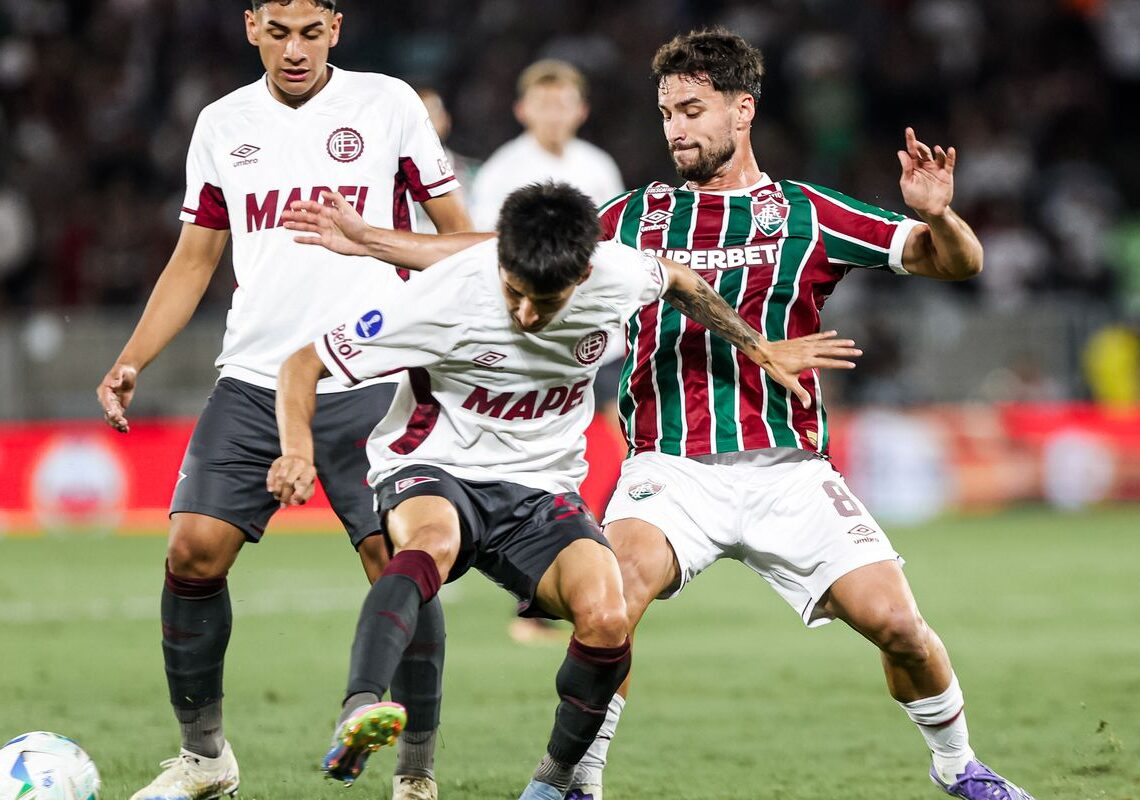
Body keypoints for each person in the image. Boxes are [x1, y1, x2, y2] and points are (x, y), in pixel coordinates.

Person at [560, 29, 1036, 800]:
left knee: (899, 627)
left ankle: (959, 767)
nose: (675, 128)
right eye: (666, 113)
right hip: (668, 469)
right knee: (609, 605)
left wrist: (939, 217)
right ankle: (580, 783)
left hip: (789, 472)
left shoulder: (808, 214)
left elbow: (959, 263)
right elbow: (525, 259)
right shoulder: (633, 216)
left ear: (742, 109)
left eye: (692, 109)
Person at [268, 182, 861, 800]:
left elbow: (682, 280)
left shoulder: (619, 272)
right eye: (514, 293)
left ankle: (552, 787)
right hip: (435, 464)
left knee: (606, 616)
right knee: (432, 541)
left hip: (541, 486)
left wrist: (757, 347)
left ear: (583, 274)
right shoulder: (448, 295)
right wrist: (295, 450)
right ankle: (359, 710)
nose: (525, 314)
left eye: (544, 302)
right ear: (500, 260)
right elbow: (302, 363)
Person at [93, 3, 471, 799]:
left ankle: (416, 773)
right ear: (249, 27)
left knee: (396, 564)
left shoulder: (389, 105)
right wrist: (133, 358)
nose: (293, 49)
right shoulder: (222, 123)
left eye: (309, 31)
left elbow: (458, 236)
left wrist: (445, 343)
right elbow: (195, 258)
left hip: (370, 377)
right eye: (277, 31)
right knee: (191, 551)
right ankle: (205, 760)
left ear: (336, 25)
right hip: (255, 376)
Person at [470, 58, 628, 643]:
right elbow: (492, 254)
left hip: (600, 340)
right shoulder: (504, 171)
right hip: (533, 342)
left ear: (581, 110)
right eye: (544, 102)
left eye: (565, 103)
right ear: (522, 109)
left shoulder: (598, 166)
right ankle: (536, 589)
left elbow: (614, 250)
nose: (555, 113)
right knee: (535, 463)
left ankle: (598, 563)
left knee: (634, 450)